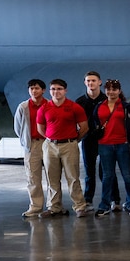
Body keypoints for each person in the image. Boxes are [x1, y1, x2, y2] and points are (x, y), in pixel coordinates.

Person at [36, 79, 90, 217]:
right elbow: (41, 128)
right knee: (52, 178)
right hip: (50, 146)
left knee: (73, 177)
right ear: (49, 91)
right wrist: (52, 138)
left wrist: (73, 140)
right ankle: (54, 207)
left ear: (65, 90)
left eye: (59, 89)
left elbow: (84, 127)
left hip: (69, 145)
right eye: (53, 89)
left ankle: (79, 206)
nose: (56, 92)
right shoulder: (44, 108)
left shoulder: (74, 107)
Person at [94, 79, 130, 216]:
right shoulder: (99, 106)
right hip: (105, 145)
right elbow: (95, 123)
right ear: (105, 91)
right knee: (107, 176)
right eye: (108, 89)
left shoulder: (126, 107)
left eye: (114, 89)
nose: (111, 92)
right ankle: (105, 204)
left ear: (119, 91)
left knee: (127, 175)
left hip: (123, 144)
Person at [76, 71, 112, 209]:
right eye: (88, 81)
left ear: (100, 82)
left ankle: (110, 199)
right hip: (88, 140)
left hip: (105, 140)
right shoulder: (80, 101)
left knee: (107, 172)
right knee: (89, 172)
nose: (91, 83)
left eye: (93, 80)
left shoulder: (106, 100)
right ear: (85, 83)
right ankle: (88, 200)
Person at [15, 79, 48, 218]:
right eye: (31, 88)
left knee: (52, 175)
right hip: (32, 144)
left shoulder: (49, 105)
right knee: (32, 177)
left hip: (48, 143)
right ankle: (35, 206)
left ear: (43, 90)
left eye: (37, 88)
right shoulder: (23, 107)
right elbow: (18, 127)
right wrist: (25, 141)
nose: (34, 91)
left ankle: (54, 206)